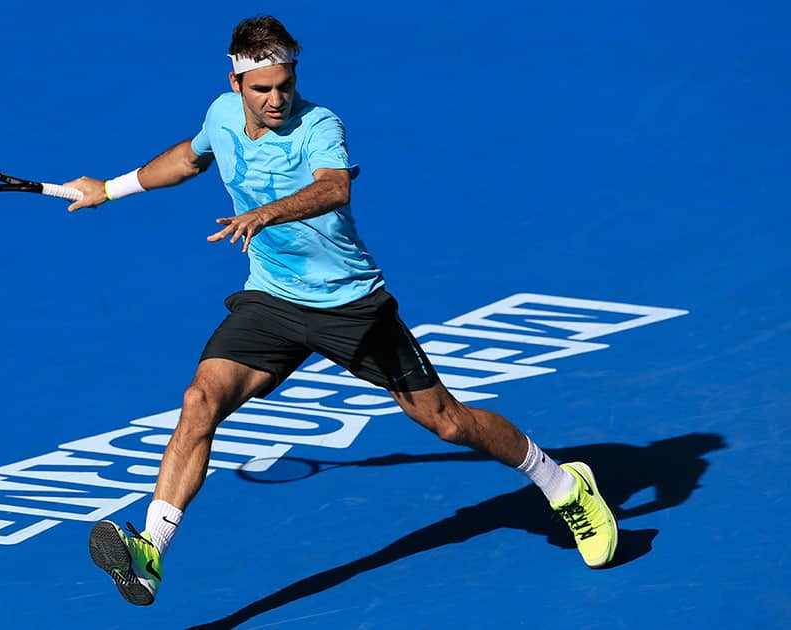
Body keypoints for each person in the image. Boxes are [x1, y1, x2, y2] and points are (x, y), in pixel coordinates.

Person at [65, 15, 618, 607]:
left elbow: (334, 188)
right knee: (201, 400)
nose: (277, 99)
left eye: (285, 84)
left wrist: (264, 214)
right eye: (262, 89)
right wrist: (111, 188)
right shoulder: (220, 116)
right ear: (236, 85)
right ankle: (152, 550)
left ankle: (564, 484)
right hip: (272, 299)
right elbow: (190, 158)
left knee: (447, 422)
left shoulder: (320, 125)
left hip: (349, 305)